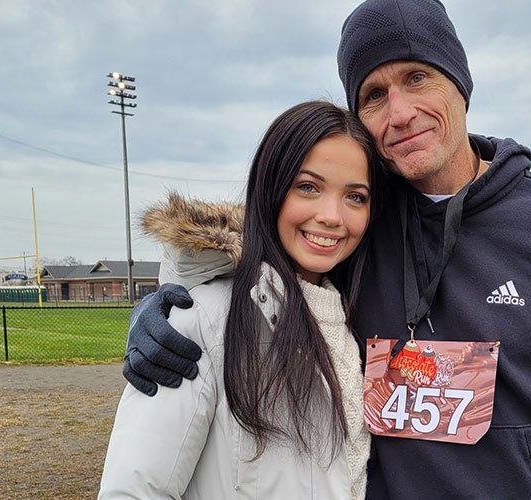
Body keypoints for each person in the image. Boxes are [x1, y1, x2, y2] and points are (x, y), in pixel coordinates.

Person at [122, 0, 531, 498]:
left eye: (417, 78)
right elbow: (255, 258)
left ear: (459, 84)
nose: (399, 113)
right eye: (374, 95)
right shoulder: (354, 228)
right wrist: (168, 309)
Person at [99, 100, 386, 499]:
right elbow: (134, 490)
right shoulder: (202, 319)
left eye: (355, 196)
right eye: (308, 187)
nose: (332, 216)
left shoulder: (356, 316)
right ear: (269, 188)